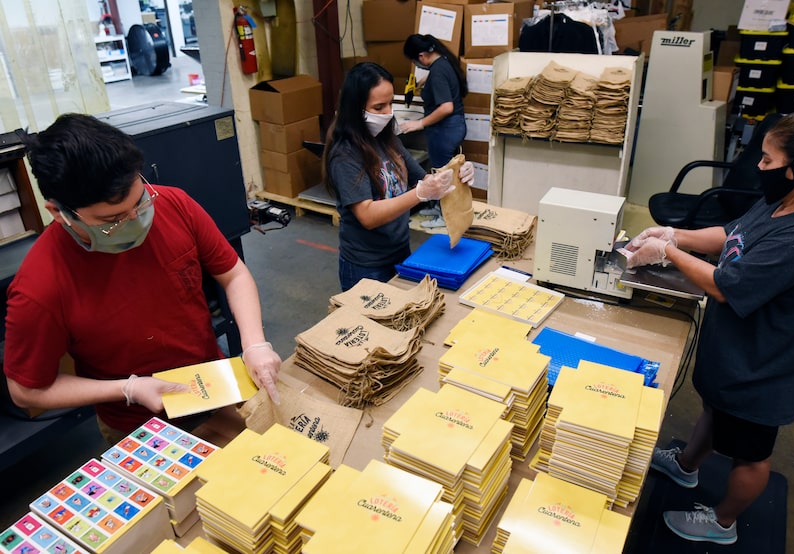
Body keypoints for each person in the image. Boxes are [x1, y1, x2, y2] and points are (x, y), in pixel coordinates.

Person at [3, 113, 282, 445]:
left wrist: (254, 343)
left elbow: (233, 273)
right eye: (114, 219)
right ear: (58, 213)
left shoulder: (174, 204)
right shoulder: (41, 285)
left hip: (216, 388)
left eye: (140, 201)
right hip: (138, 427)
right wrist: (128, 388)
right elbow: (25, 390)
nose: (136, 219)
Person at [624, 110, 794, 545]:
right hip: (736, 351)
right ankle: (684, 468)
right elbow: (732, 234)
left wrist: (667, 253)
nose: (759, 167)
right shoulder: (782, 201)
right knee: (717, 411)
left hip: (763, 367)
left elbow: (725, 284)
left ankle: (722, 523)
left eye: (769, 161)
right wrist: (676, 234)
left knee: (751, 454)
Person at [323, 62, 474, 292]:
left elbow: (423, 177)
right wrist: (420, 194)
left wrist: (456, 174)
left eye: (390, 103)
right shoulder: (345, 154)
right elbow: (367, 215)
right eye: (378, 107)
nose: (388, 113)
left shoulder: (387, 139)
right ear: (355, 108)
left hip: (400, 252)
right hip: (366, 266)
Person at [401, 34, 468, 229]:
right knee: (447, 172)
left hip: (444, 131)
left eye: (415, 61)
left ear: (421, 56)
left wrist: (419, 123)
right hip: (452, 127)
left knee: (443, 176)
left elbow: (446, 107)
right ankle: (439, 207)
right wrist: (426, 81)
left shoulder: (437, 72)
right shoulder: (443, 62)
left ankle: (445, 217)